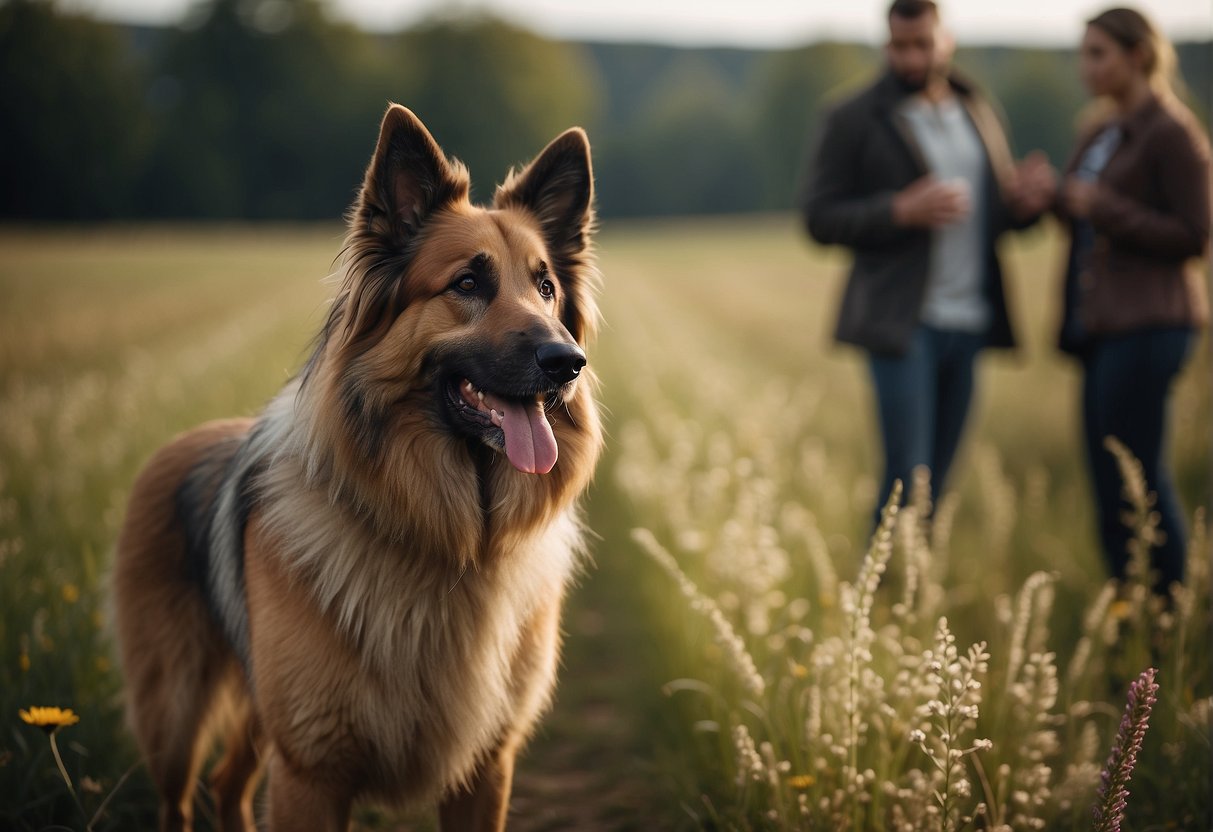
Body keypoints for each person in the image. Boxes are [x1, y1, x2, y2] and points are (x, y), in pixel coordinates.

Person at [799, 0, 1056, 526]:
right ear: (886, 43)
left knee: (939, 484)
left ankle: (918, 594)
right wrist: (897, 210)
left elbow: (993, 217)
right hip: (902, 325)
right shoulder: (852, 116)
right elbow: (818, 218)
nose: (911, 58)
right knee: (904, 480)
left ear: (947, 41)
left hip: (969, 322)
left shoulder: (976, 108)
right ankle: (882, 594)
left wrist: (1025, 207)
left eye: (922, 44)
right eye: (899, 46)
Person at [1056, 7, 1210, 592]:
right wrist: (1048, 195)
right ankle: (1128, 616)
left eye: (1098, 54)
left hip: (1153, 326)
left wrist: (1103, 208)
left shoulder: (1174, 133)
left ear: (1138, 56)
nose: (1086, 67)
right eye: (1084, 54)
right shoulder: (1097, 129)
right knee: (1106, 485)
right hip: (1102, 329)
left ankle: (1170, 615)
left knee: (1141, 483)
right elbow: (1079, 213)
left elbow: (1195, 236)